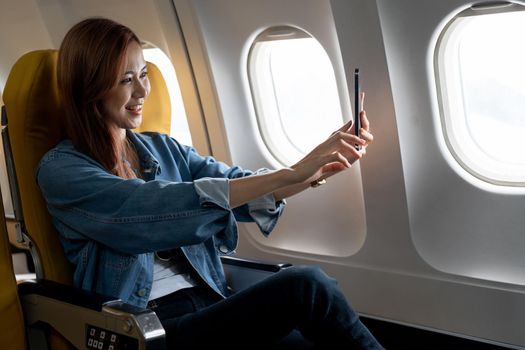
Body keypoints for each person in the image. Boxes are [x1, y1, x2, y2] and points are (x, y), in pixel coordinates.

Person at [36, 17, 383, 349]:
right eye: (127, 80)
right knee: (306, 287)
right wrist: (294, 173)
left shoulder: (162, 148)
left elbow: (238, 188)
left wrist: (314, 165)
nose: (143, 90)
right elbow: (153, 211)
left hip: (211, 305)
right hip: (147, 329)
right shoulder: (62, 171)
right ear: (90, 87)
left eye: (143, 74)